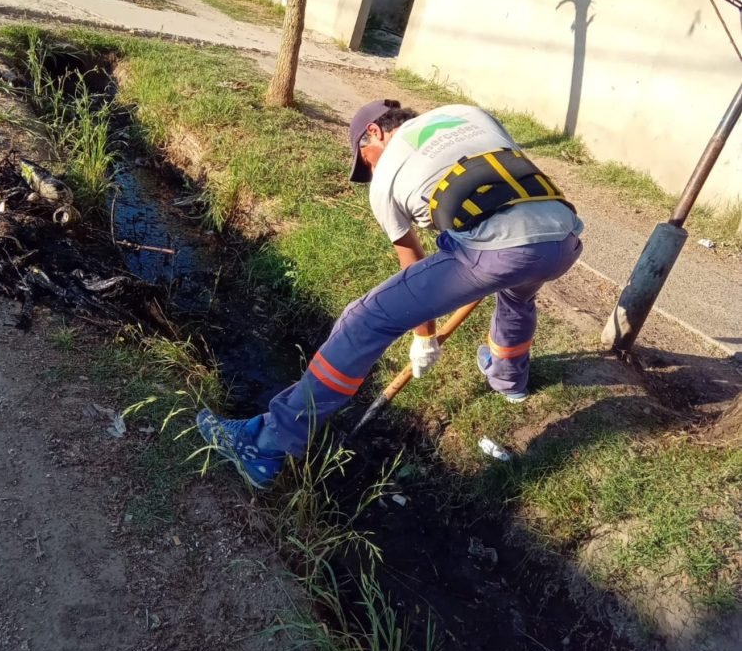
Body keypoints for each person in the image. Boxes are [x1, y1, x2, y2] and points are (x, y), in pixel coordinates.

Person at [198, 99, 584, 489]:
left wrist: (423, 337)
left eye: (364, 161)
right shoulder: (469, 113)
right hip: (563, 238)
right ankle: (509, 381)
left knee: (363, 320)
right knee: (518, 295)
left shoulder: (385, 181)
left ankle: (267, 445)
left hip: (497, 250)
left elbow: (412, 263)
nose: (369, 171)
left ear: (375, 133)